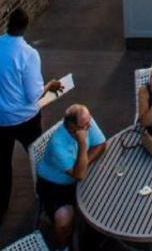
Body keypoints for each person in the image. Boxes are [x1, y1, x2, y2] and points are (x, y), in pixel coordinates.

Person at [0, 8, 64, 224]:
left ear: (9, 24)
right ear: (26, 26)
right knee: (40, 158)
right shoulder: (28, 54)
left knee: (3, 164)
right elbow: (34, 94)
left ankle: (2, 208)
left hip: (1, 119)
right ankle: (47, 200)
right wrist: (50, 84)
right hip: (26, 119)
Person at [36, 104, 106, 251]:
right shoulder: (57, 144)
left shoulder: (86, 122)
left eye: (89, 121)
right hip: (55, 185)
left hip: (77, 176)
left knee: (106, 193)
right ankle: (64, 246)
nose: (89, 126)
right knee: (64, 220)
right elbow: (79, 175)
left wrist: (84, 162)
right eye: (84, 126)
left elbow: (101, 144)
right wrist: (82, 144)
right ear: (72, 127)